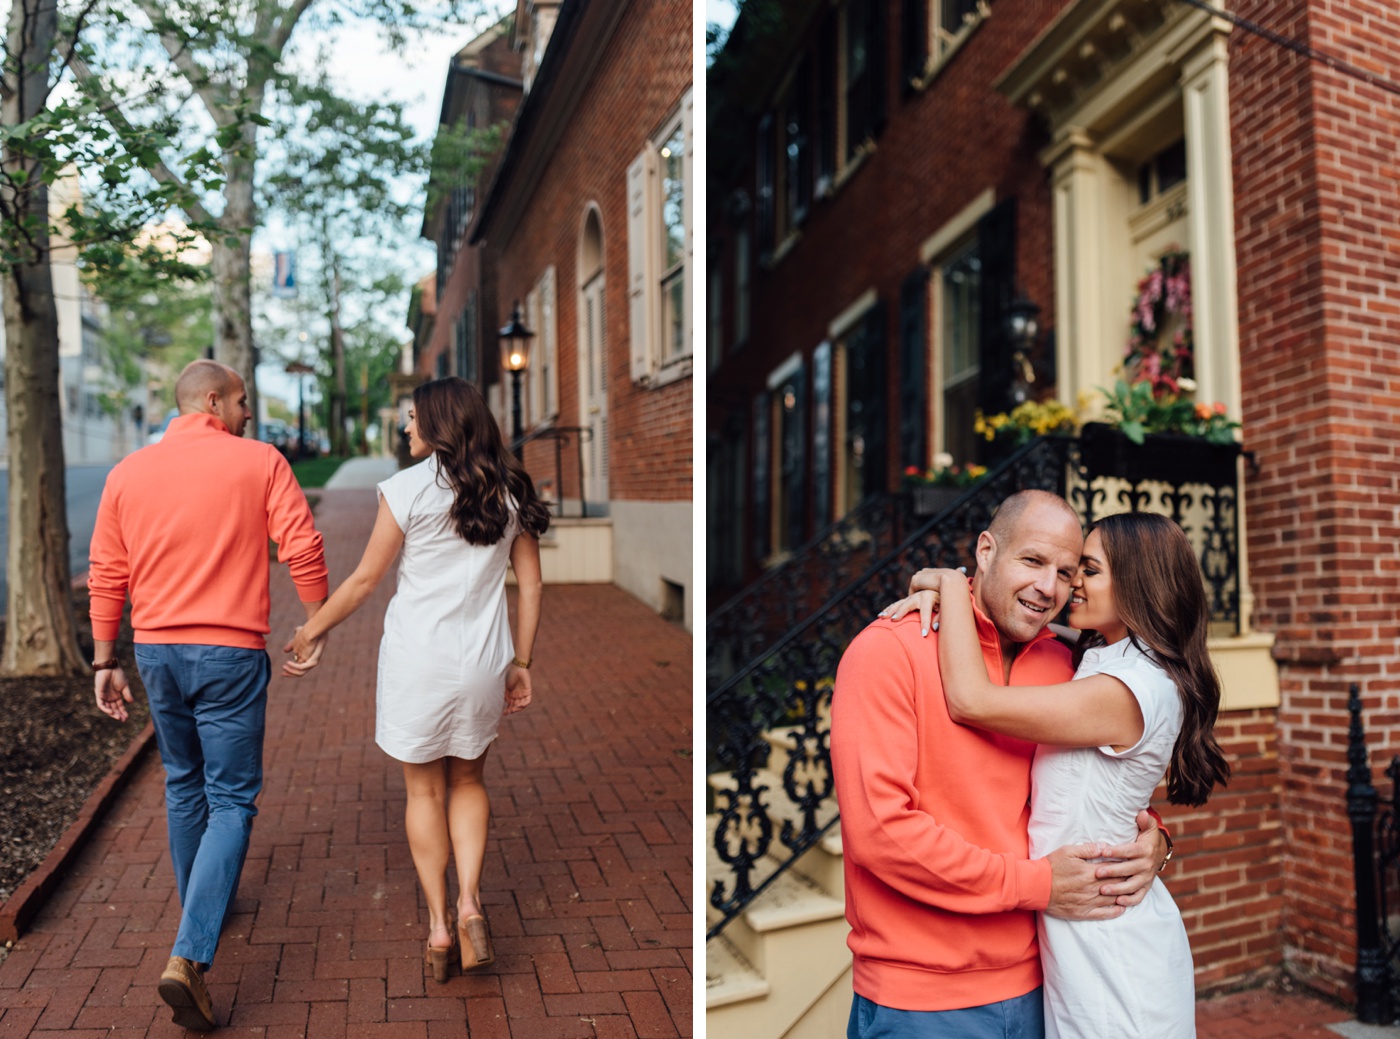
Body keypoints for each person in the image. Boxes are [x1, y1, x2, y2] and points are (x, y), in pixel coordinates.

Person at [830, 490, 1169, 1039]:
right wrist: (1036, 884)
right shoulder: (889, 650)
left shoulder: (1068, 665)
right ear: (986, 551)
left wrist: (1155, 841)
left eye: (1066, 571)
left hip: (1047, 987)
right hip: (923, 1001)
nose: (1048, 588)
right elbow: (881, 832)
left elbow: (1096, 788)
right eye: (1032, 561)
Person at [894, 511, 1229, 1037]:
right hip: (1072, 936)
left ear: (1138, 583)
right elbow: (1014, 613)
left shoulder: (1128, 688)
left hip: (1112, 948)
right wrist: (1158, 841)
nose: (1068, 584)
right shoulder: (1101, 655)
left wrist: (951, 585)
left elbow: (970, 700)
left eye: (1086, 571)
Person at [89, 360, 329, 1032]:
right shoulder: (260, 461)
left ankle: (200, 904)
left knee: (182, 782)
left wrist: (104, 657)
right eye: (245, 400)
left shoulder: (127, 473)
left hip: (156, 651)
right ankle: (191, 954)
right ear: (214, 400)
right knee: (231, 797)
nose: (250, 412)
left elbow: (108, 571)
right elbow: (302, 543)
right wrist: (316, 621)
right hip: (229, 651)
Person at [283, 376, 547, 982]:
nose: (406, 427)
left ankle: (437, 927)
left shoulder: (406, 489)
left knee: (424, 791)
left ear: (439, 423)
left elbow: (363, 581)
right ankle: (471, 904)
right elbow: (530, 584)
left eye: (412, 417)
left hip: (417, 660)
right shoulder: (509, 489)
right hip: (483, 659)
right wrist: (523, 663)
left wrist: (310, 630)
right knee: (470, 780)